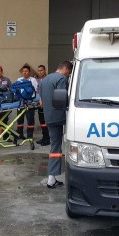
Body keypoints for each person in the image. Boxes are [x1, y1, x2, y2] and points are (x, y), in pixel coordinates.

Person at [39, 60, 73, 188]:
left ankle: (52, 178)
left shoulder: (45, 80)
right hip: (60, 117)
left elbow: (41, 102)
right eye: (69, 72)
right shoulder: (61, 79)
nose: (68, 75)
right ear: (65, 68)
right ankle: (52, 179)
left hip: (49, 117)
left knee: (55, 146)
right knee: (58, 148)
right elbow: (62, 99)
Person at [15, 64, 39, 140]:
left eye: (26, 71)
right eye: (23, 71)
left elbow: (34, 90)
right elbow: (17, 90)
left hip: (30, 102)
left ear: (29, 72)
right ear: (22, 72)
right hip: (20, 102)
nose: (25, 72)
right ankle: (20, 135)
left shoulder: (33, 80)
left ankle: (30, 136)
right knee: (20, 120)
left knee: (30, 119)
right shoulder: (19, 79)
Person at [35, 64, 50, 146]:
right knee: (42, 122)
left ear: (45, 71)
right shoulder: (37, 80)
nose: (40, 72)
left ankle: (47, 139)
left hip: (47, 103)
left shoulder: (48, 79)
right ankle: (44, 137)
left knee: (46, 122)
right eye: (39, 70)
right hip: (39, 104)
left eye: (41, 70)